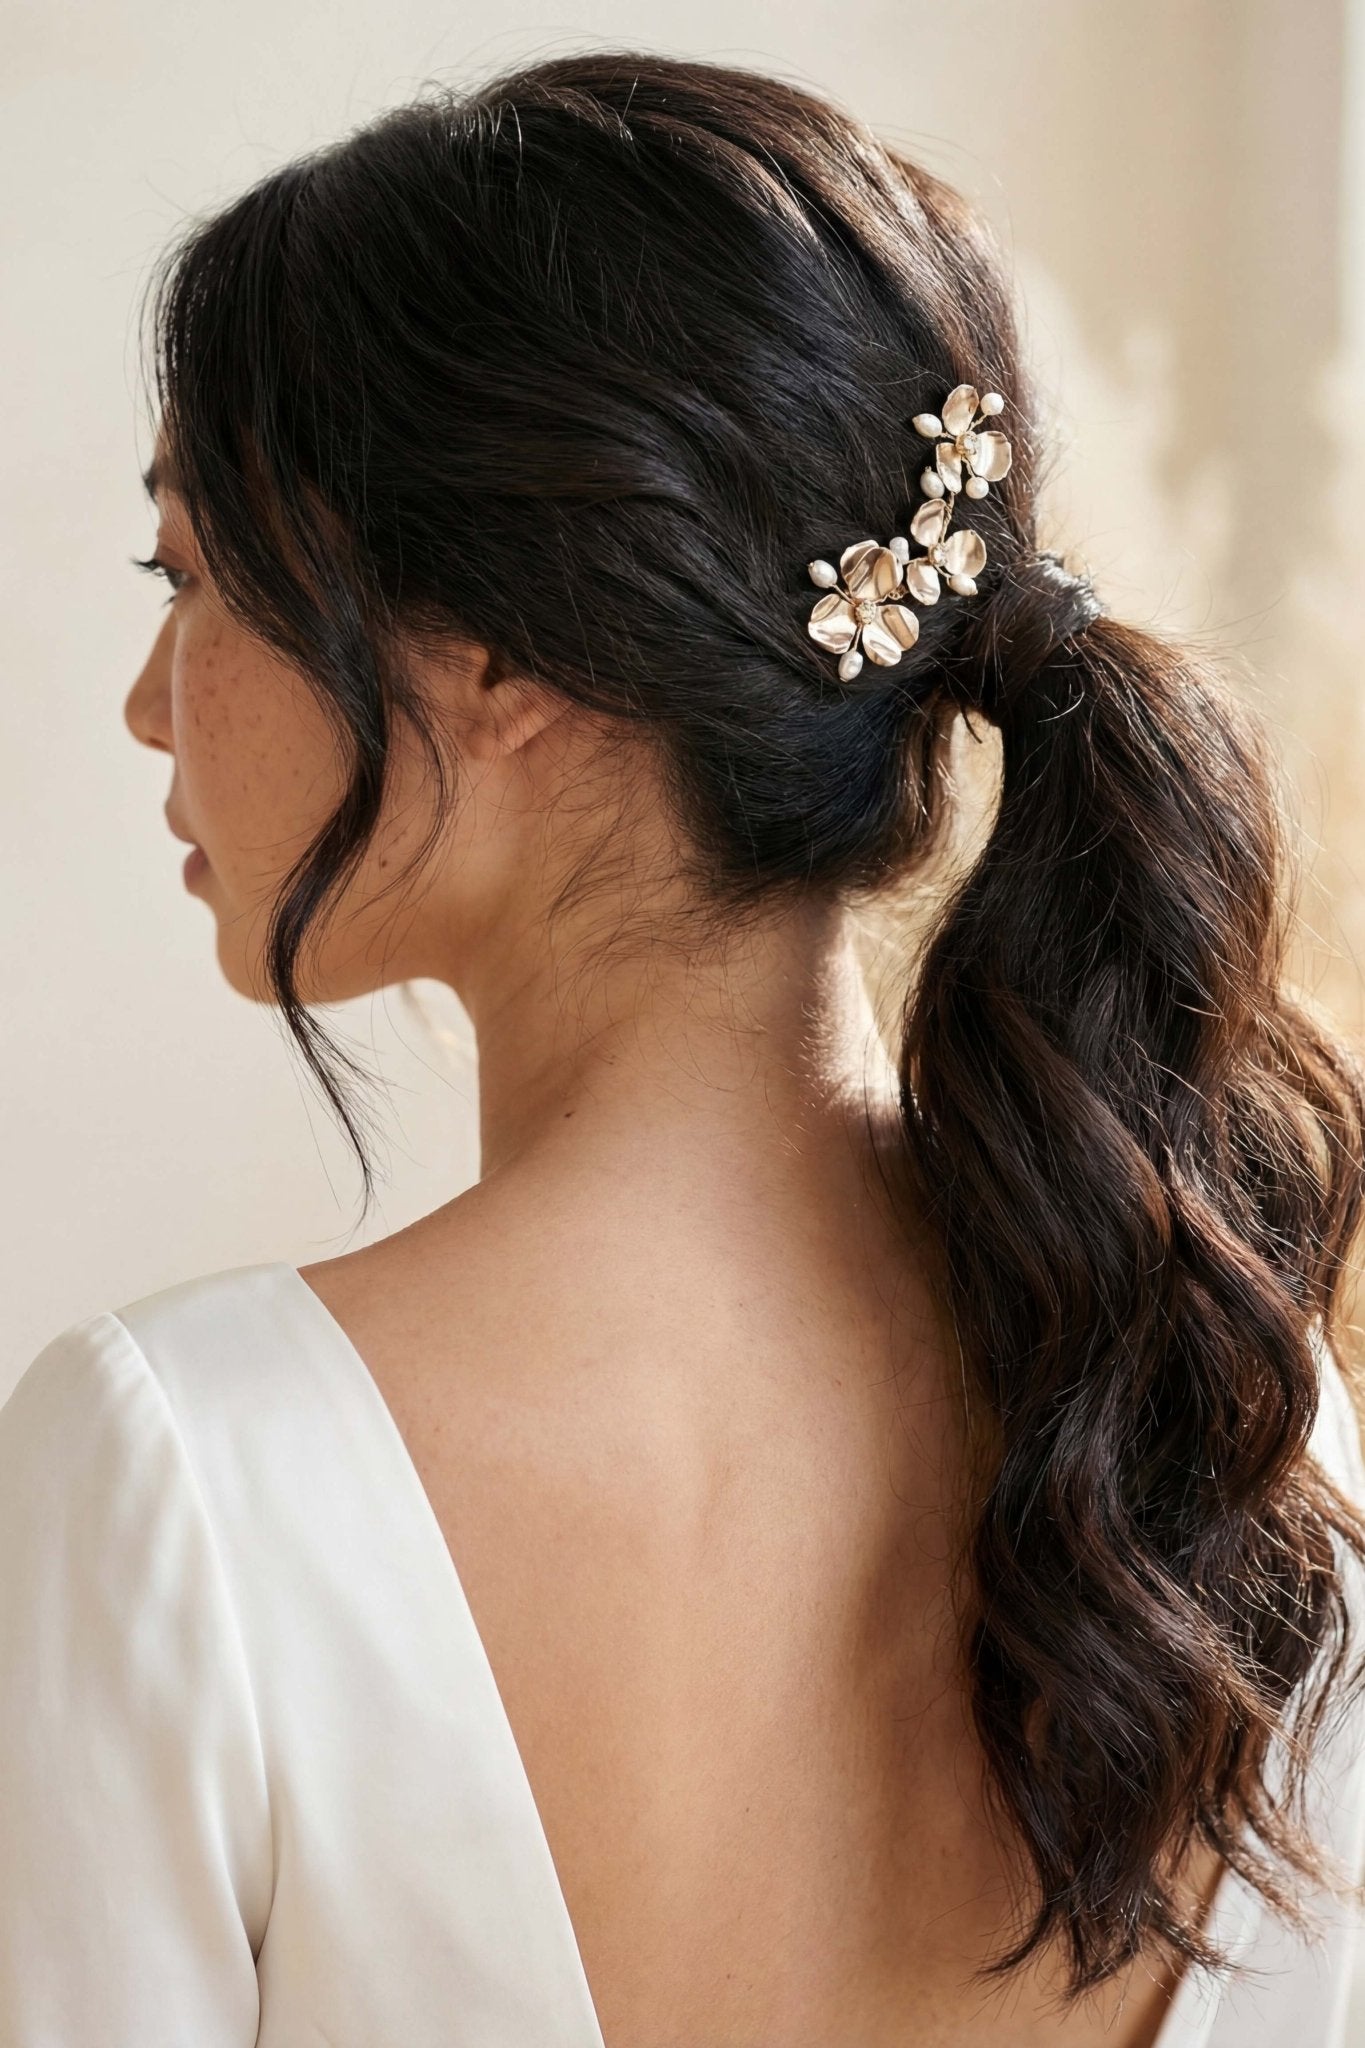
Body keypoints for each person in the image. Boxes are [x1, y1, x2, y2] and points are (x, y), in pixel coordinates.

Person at [3, 49, 1365, 2048]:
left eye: (194, 575)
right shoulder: (1216, 1414)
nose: (146, 702)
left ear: (498, 653)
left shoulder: (180, 1475)